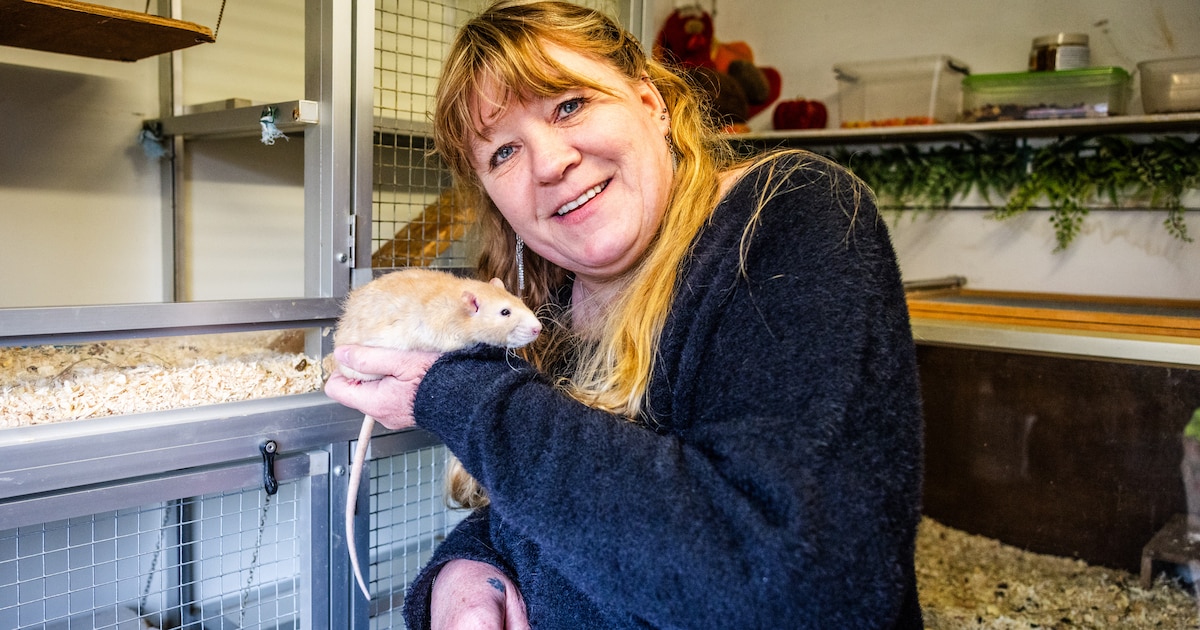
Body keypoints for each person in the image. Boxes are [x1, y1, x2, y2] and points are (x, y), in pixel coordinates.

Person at [322, 1, 925, 628]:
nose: (551, 163)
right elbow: (555, 507)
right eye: (503, 152)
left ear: (651, 102)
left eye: (569, 105)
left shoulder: (785, 217)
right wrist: (466, 574)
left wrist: (456, 393)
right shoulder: (549, 305)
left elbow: (791, 579)